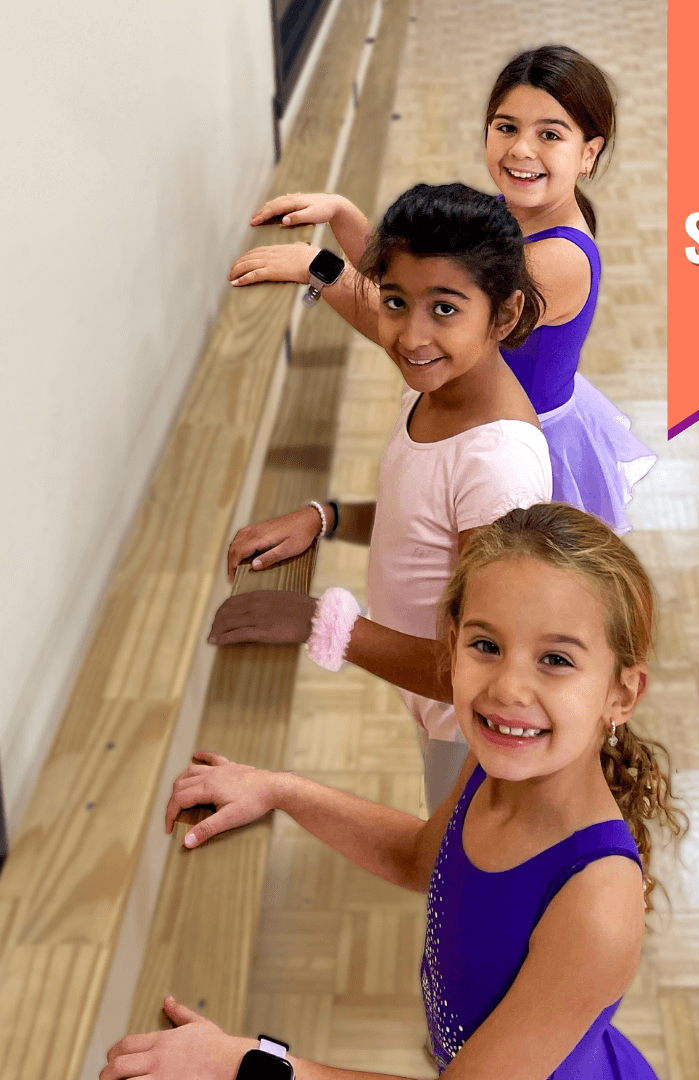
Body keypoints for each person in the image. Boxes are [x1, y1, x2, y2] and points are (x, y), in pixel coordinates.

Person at [102, 503, 685, 1080]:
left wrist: (253, 1068)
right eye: (485, 645)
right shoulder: (494, 763)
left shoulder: (597, 904)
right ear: (452, 643)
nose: (507, 688)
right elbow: (420, 856)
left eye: (555, 659)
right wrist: (280, 790)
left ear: (622, 694)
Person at [212, 183, 552, 809]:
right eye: (398, 303)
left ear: (502, 315)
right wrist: (327, 517)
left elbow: (481, 670)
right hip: (442, 716)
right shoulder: (439, 381)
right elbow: (422, 520)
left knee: (448, 875)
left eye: (445, 309)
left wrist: (324, 624)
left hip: (479, 736)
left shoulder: (498, 466)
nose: (409, 336)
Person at [229, 45, 654, 535]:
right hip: (487, 410)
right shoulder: (512, 210)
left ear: (588, 153)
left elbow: (423, 324)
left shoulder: (557, 261)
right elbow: (416, 277)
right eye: (506, 126)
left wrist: (320, 268)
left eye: (550, 135)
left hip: (517, 446)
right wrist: (343, 215)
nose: (520, 149)